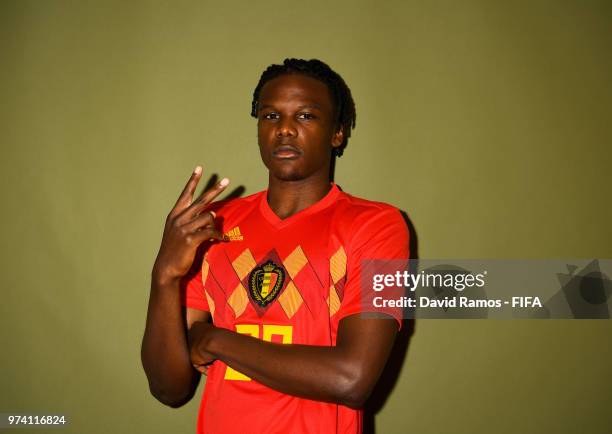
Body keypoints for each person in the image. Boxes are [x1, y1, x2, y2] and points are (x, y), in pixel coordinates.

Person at [141, 58, 410, 434]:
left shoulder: (377, 226)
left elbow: (352, 379)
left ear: (337, 133)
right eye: (270, 116)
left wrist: (215, 339)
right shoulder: (213, 225)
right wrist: (164, 276)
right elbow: (170, 388)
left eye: (306, 116)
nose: (284, 129)